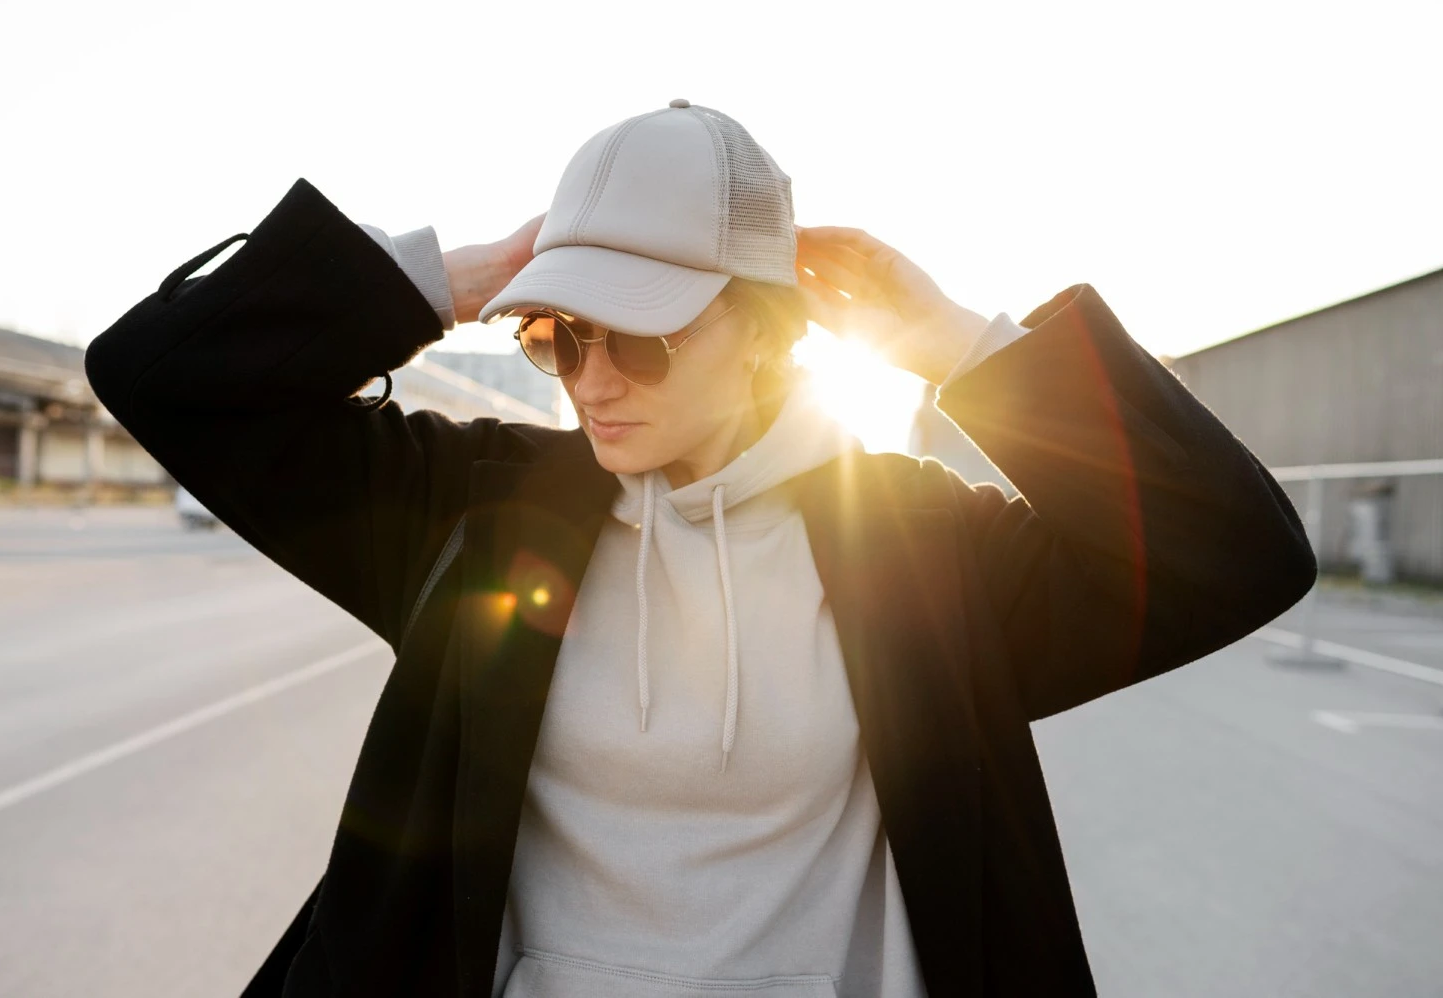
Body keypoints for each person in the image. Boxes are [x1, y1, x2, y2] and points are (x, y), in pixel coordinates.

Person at [84, 101, 1316, 998]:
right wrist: (457, 279)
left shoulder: (923, 550)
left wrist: (957, 342)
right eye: (559, 335)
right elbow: (165, 378)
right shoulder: (474, 516)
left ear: (773, 334)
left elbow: (1239, 550)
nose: (592, 380)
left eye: (644, 336)